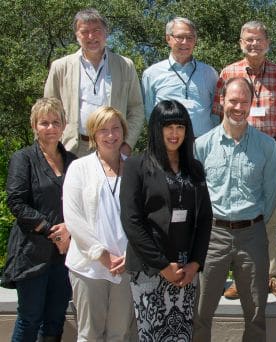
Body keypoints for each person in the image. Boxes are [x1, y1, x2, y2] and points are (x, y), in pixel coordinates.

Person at [193, 77, 276, 342]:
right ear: (221, 101)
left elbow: (270, 194)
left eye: (244, 101)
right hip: (213, 236)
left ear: (251, 104)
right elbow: (196, 194)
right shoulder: (202, 145)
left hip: (252, 235)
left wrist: (251, 220)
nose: (238, 107)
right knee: (201, 311)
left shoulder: (266, 146)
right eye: (233, 100)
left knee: (255, 313)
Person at [120, 100, 213, 340]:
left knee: (181, 334)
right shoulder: (135, 166)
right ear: (156, 129)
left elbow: (204, 219)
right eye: (168, 126)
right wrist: (162, 265)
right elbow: (132, 221)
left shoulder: (195, 168)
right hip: (150, 270)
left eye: (180, 127)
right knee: (152, 335)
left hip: (185, 272)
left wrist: (195, 263)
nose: (174, 133)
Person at [213, 20, 276, 298]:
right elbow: (217, 113)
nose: (253, 44)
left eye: (259, 39)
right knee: (240, 212)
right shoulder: (228, 73)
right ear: (240, 43)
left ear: (268, 43)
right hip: (239, 149)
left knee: (271, 214)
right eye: (248, 39)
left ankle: (272, 275)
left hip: (273, 150)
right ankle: (241, 277)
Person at [2, 98, 76, 342]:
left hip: (64, 254)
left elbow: (83, 204)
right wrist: (50, 230)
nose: (51, 128)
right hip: (31, 252)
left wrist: (69, 229)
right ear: (34, 125)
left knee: (55, 321)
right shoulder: (23, 159)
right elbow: (16, 202)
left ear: (64, 125)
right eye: (44, 123)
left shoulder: (74, 162)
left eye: (56, 122)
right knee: (30, 318)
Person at [62, 106, 135, 341]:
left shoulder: (137, 168)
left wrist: (129, 255)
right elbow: (73, 218)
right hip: (88, 268)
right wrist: (101, 254)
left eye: (115, 128)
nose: (111, 135)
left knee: (120, 334)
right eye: (103, 130)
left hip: (125, 266)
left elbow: (145, 217)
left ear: (123, 132)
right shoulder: (79, 168)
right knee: (89, 334)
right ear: (93, 134)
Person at [44, 8, 144, 157]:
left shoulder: (125, 65)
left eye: (96, 30)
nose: (91, 36)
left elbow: (136, 109)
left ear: (106, 33)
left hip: (113, 147)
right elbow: (47, 111)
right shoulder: (60, 67)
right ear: (76, 35)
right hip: (72, 148)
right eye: (84, 32)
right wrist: (52, 147)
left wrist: (127, 144)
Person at [142, 17, 220, 137]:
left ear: (195, 40)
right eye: (180, 37)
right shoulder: (152, 74)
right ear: (168, 38)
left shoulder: (209, 73)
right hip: (168, 144)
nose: (185, 42)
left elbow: (216, 112)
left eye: (190, 37)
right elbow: (149, 113)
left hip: (203, 145)